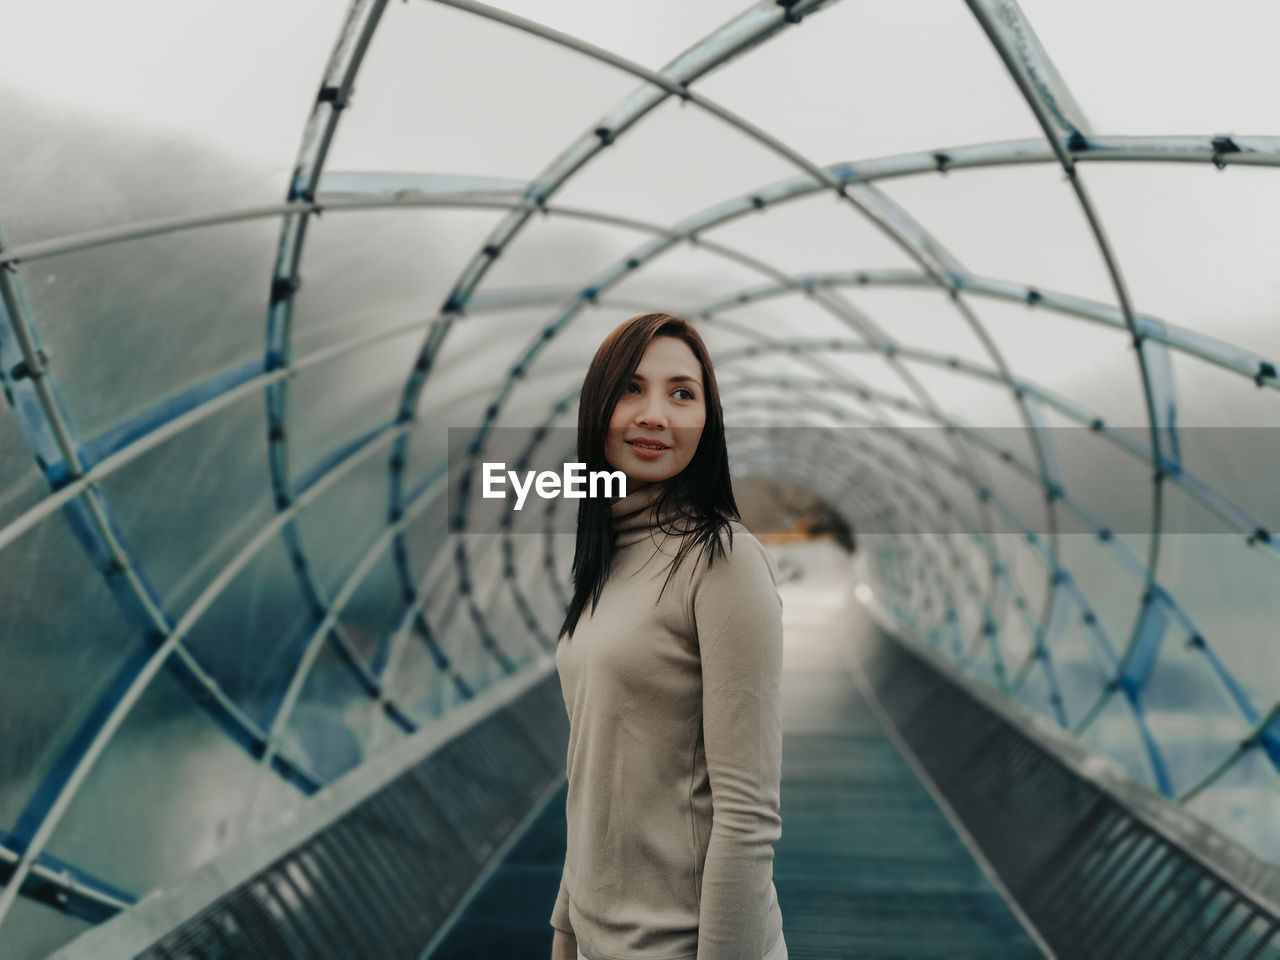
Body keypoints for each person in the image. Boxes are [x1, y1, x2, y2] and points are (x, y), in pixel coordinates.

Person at [549, 313, 788, 960]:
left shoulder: (722, 560)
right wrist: (566, 928)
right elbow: (592, 773)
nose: (656, 414)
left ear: (706, 423)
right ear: (598, 407)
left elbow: (747, 816)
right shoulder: (611, 558)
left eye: (682, 393)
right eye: (632, 388)